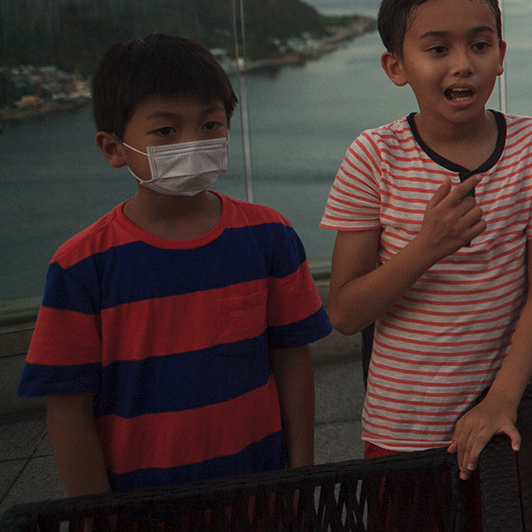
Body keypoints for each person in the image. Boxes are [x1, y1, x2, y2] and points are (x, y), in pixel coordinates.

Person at [19, 35, 330, 494]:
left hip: (260, 493)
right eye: (166, 131)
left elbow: (291, 358)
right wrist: (96, 519)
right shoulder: (83, 265)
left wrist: (301, 473)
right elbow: (68, 409)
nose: (193, 143)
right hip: (141, 510)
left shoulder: (269, 235)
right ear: (113, 148)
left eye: (210, 124)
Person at [322, 0, 532, 475]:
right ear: (396, 66)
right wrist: (427, 247)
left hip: (507, 409)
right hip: (402, 426)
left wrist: (502, 397)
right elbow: (345, 313)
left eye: (479, 45)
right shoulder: (374, 156)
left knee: (508, 524)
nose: (463, 65)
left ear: (500, 55)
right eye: (438, 49)